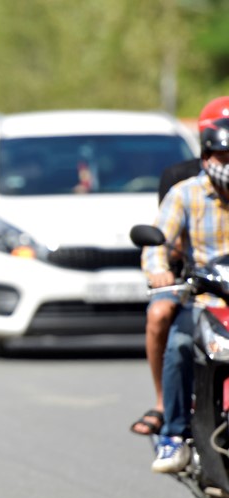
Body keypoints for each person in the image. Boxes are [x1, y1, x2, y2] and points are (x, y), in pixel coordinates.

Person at [143, 95, 229, 473]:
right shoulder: (185, 193)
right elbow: (156, 243)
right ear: (207, 156)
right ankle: (173, 434)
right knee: (178, 345)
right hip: (202, 297)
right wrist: (158, 271)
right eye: (222, 157)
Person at [130, 157, 203, 436]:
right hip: (189, 277)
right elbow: (165, 241)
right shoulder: (184, 185)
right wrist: (161, 270)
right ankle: (164, 402)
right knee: (160, 315)